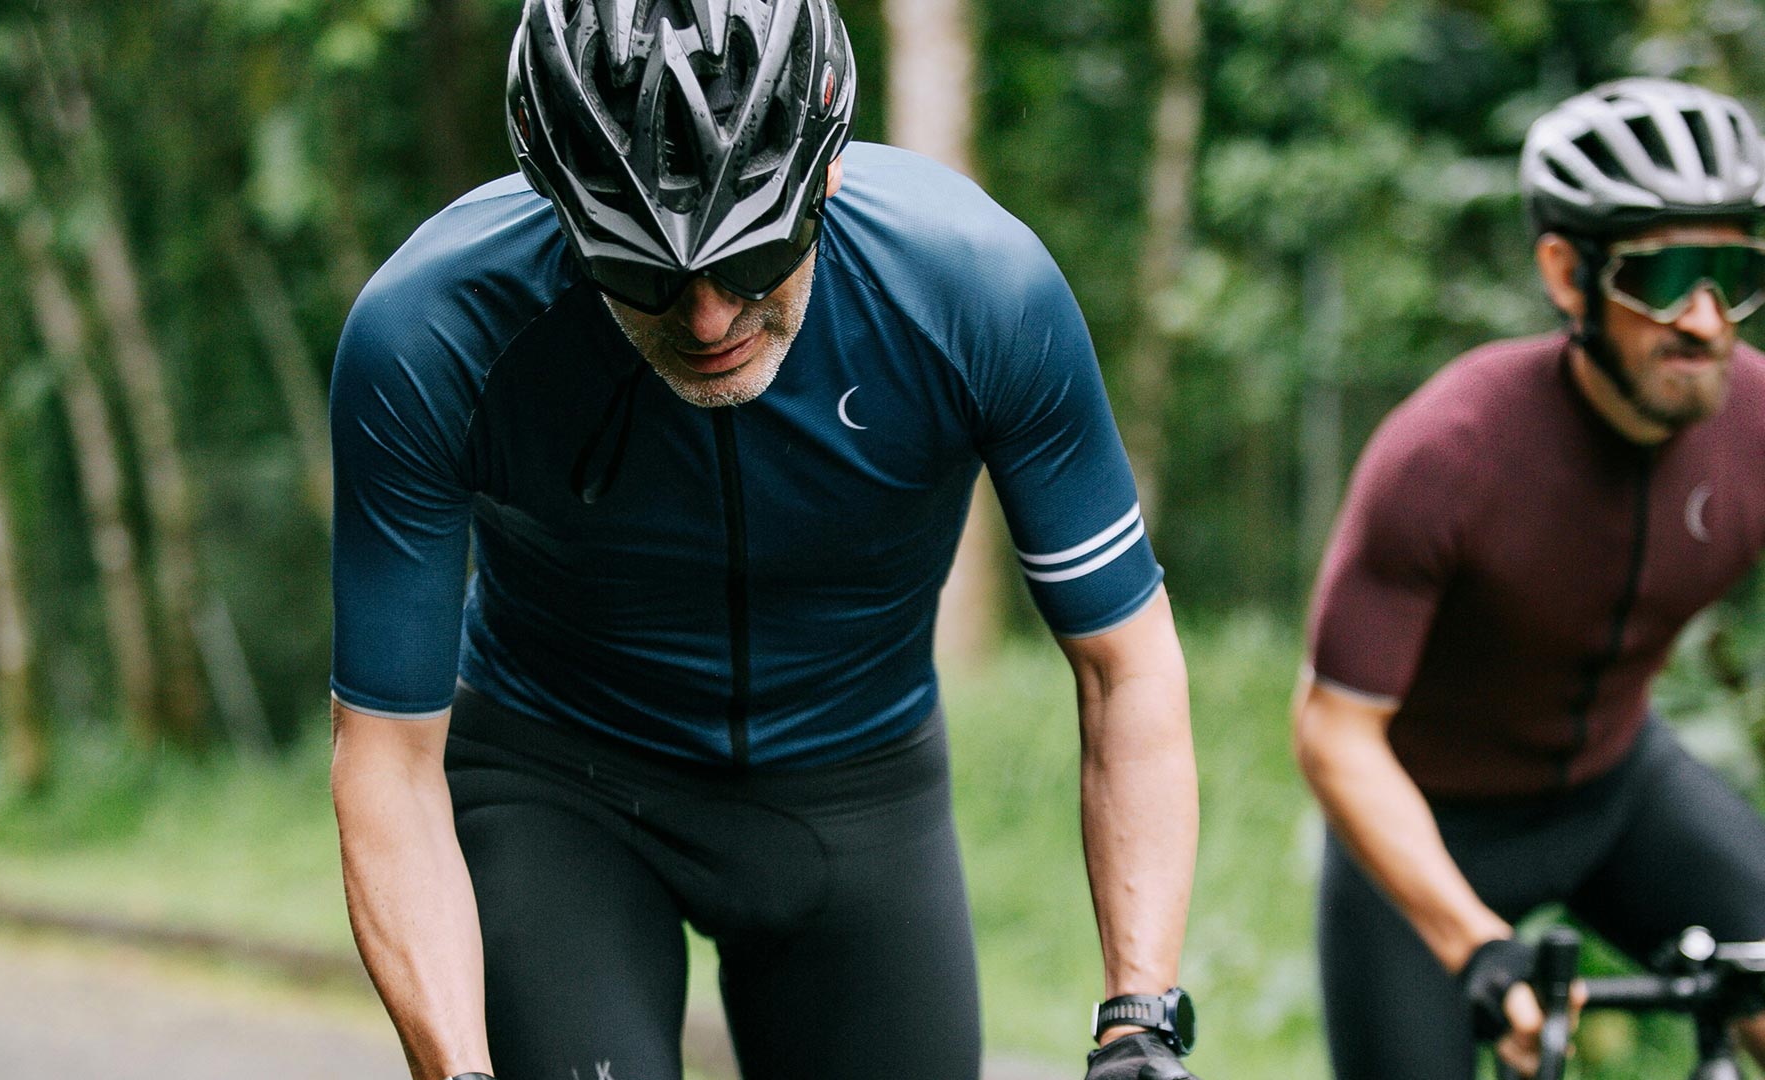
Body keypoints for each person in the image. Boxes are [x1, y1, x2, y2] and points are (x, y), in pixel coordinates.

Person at [326, 0, 1203, 1077]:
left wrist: (1140, 1015)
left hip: (859, 793)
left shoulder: (977, 289)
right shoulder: (430, 334)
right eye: (641, 271)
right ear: (559, 210)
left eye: (751, 254)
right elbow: (386, 757)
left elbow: (1127, 668)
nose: (704, 318)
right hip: (561, 786)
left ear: (827, 173)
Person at [1294, 76, 1765, 1080]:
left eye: (1734, 271)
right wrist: (1472, 942)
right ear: (1566, 272)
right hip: (1425, 829)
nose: (1708, 320)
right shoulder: (1448, 452)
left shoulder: (1758, 427)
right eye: (1668, 273)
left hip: (1623, 791)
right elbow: (1332, 732)